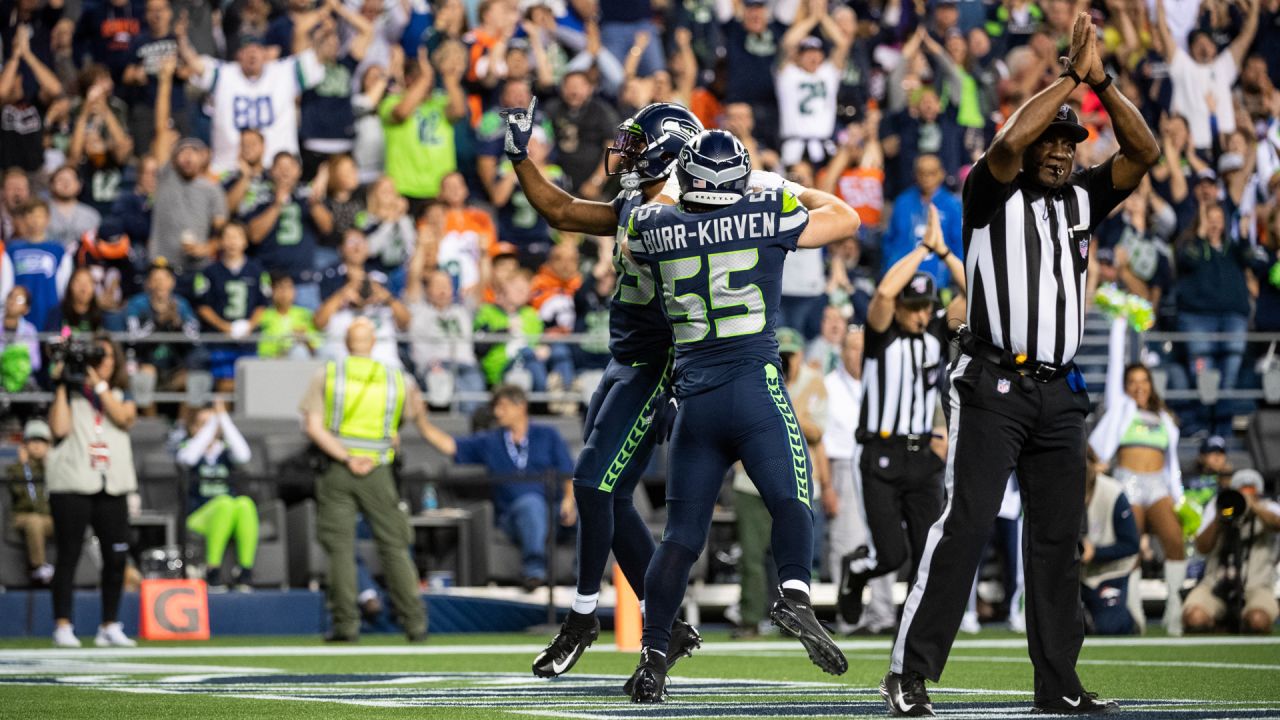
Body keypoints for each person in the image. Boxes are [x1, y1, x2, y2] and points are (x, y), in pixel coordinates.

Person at [880, 15, 1160, 716]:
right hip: (992, 383)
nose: (1063, 152)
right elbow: (1006, 142)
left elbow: (1145, 149)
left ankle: (1057, 683)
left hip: (1058, 392)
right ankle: (909, 674)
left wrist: (1101, 81)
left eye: (1071, 142)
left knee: (1060, 539)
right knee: (966, 524)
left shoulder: (1083, 200)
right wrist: (1067, 75)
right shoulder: (991, 192)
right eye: (1053, 140)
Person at [622, 129, 860, 700]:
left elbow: (633, 240)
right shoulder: (766, 210)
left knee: (680, 538)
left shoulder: (654, 227)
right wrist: (785, 185)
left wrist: (674, 191)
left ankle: (653, 655)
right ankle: (794, 595)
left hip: (695, 402)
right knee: (791, 498)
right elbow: (846, 217)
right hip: (754, 389)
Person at [499, 101, 705, 679]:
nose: (626, 154)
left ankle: (583, 614)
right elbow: (561, 209)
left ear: (672, 151)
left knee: (590, 483)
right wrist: (521, 156)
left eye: (638, 145)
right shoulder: (644, 202)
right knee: (610, 497)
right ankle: (666, 619)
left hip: (654, 367)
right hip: (623, 359)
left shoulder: (682, 212)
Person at [837, 206, 965, 630]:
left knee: (927, 553)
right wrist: (921, 250)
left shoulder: (933, 338)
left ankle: (916, 630)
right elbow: (883, 296)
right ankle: (856, 571)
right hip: (879, 453)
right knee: (890, 555)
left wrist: (944, 253)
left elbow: (974, 292)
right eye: (915, 307)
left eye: (927, 307)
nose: (922, 314)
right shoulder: (881, 334)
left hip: (922, 455)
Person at [299, 317, 428, 642]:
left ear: (345, 343)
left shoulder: (328, 374)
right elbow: (410, 418)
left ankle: (346, 625)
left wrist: (346, 456)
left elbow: (313, 427)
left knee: (340, 548)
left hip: (338, 468)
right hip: (379, 469)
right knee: (395, 546)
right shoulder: (397, 378)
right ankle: (415, 624)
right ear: (373, 343)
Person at [414, 385, 575, 591]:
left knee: (595, 513)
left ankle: (586, 579)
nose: (498, 412)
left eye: (503, 406)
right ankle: (534, 572)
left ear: (521, 407)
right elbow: (449, 445)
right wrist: (420, 420)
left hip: (553, 512)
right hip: (512, 517)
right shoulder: (490, 440)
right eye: (496, 407)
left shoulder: (547, 435)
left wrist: (569, 501)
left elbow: (567, 472)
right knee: (530, 505)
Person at [1088, 313, 1185, 635]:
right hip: (1127, 480)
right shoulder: (1121, 408)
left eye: (1144, 382)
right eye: (1133, 383)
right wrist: (1119, 323)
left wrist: (1179, 496)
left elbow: (1172, 463)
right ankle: (1134, 610)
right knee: (1131, 547)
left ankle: (1174, 608)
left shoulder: (1164, 417)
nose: (1139, 388)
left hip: (1157, 484)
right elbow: (1117, 364)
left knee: (1174, 539)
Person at [46, 335, 138, 648]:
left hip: (111, 483)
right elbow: (58, 429)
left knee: (116, 558)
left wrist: (99, 385)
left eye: (109, 355)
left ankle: (110, 624)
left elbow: (124, 417)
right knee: (68, 555)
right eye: (98, 356)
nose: (104, 361)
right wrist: (61, 384)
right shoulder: (72, 393)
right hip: (74, 482)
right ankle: (63, 625)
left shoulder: (120, 393)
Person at [1182, 469, 1280, 634]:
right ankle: (1222, 624)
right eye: (1241, 493)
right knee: (1195, 618)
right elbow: (1202, 547)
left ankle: (1230, 624)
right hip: (1216, 585)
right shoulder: (1219, 508)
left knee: (1258, 621)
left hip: (1256, 586)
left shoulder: (1269, 508)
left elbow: (1277, 524)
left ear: (1259, 493)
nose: (1245, 497)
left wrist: (1253, 506)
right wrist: (1222, 516)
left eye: (1250, 492)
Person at [176, 399, 258, 591]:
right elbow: (189, 458)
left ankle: (245, 572)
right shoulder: (186, 448)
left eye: (213, 425)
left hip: (227, 513)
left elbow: (245, 455)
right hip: (197, 516)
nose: (210, 430)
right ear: (193, 428)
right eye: (203, 425)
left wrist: (223, 418)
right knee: (225, 503)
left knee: (245, 503)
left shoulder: (226, 452)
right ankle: (212, 570)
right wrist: (213, 424)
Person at [195, 222, 269, 392]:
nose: (232, 242)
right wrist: (225, 327)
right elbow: (202, 306)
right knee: (224, 386)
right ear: (220, 241)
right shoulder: (209, 272)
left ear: (245, 241)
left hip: (248, 341)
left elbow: (262, 303)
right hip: (220, 340)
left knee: (250, 386)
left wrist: (249, 326)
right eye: (227, 237)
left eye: (237, 237)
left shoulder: (257, 271)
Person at [1080, 448, 1140, 636]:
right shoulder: (1060, 493)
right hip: (1075, 575)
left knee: (1109, 628)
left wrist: (1095, 553)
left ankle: (1130, 618)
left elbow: (1131, 544)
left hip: (1110, 572)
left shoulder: (1113, 492)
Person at [5, 419, 55, 585]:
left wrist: (50, 465)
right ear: (25, 445)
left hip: (49, 518)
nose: (37, 446)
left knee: (69, 522)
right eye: (32, 441)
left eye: (41, 441)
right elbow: (26, 498)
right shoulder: (15, 469)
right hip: (23, 516)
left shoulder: (55, 468)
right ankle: (38, 568)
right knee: (35, 521)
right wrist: (24, 467)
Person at [256, 272, 320, 359]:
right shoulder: (263, 315)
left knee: (299, 351)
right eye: (279, 288)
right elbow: (262, 352)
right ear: (272, 291)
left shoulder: (305, 314)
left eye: (288, 287)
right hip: (272, 364)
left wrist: (304, 339)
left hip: (301, 363)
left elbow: (316, 349)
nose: (284, 292)